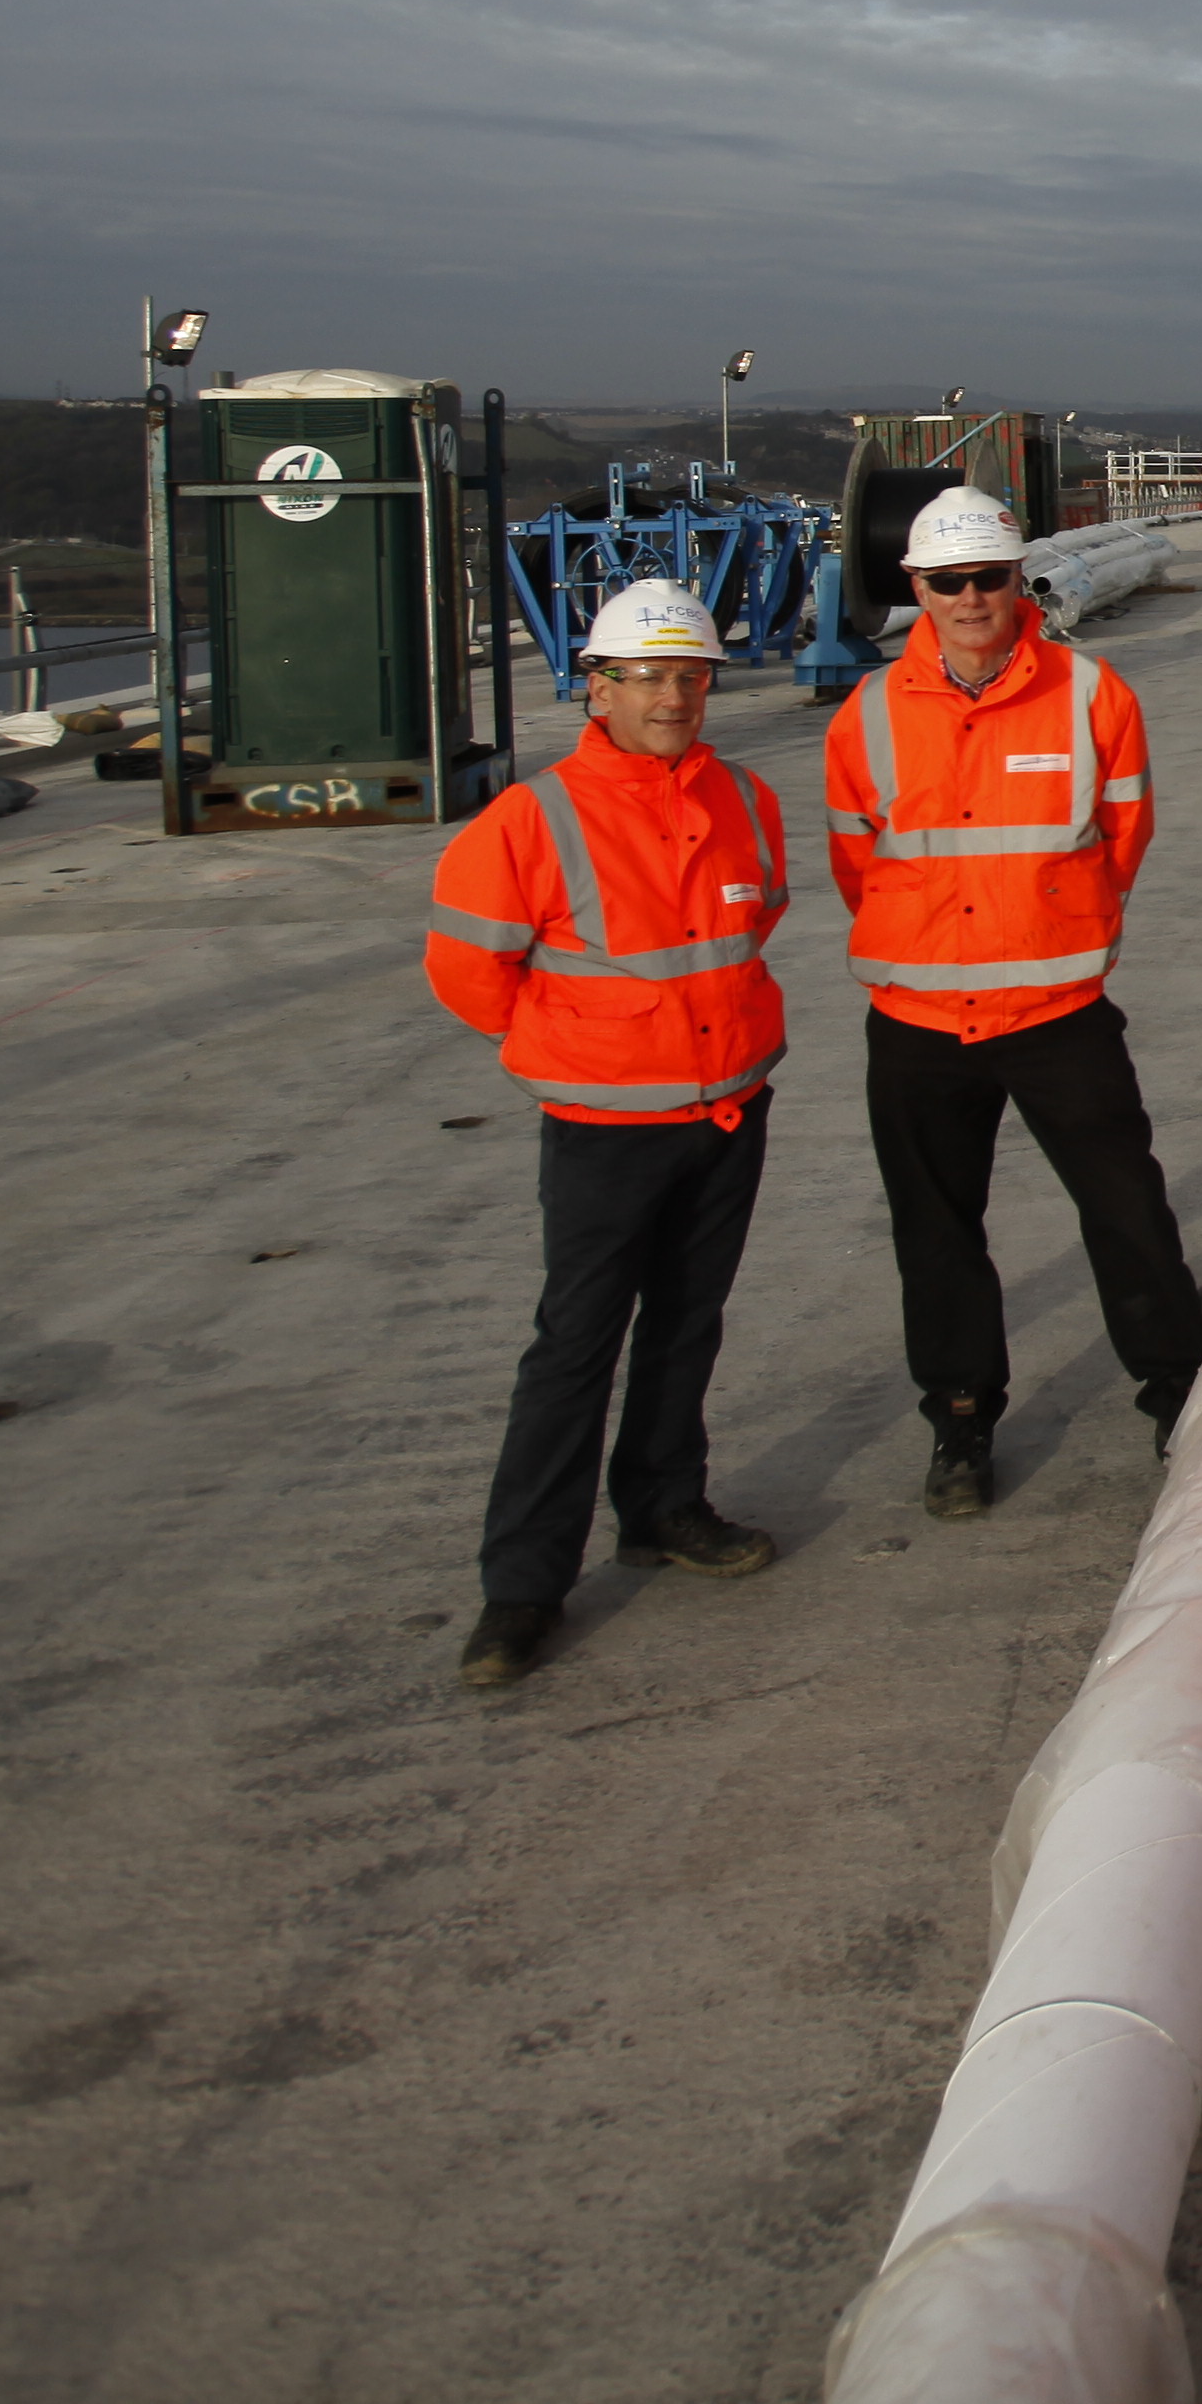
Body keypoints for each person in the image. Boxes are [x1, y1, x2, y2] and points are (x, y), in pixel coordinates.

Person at [424, 579, 794, 1690]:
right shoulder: (532, 819)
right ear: (597, 687)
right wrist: (579, 1042)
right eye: (649, 678)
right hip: (605, 1127)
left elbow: (752, 921)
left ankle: (663, 1507)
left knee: (688, 1324)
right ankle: (522, 1587)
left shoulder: (744, 797)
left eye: (692, 677)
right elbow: (467, 971)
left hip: (727, 1109)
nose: (674, 698)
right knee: (574, 1347)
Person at [824, 485, 1202, 1523]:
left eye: (990, 577)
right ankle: (960, 1415)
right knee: (937, 1232)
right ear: (918, 590)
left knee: (1125, 1203)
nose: (972, 598)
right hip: (918, 1023)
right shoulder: (866, 717)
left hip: (1055, 1010)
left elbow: (1123, 841)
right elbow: (856, 862)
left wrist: (1052, 933)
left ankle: (1174, 1381)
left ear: (1018, 578)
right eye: (949, 582)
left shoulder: (1089, 696)